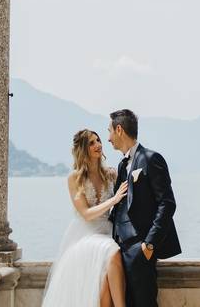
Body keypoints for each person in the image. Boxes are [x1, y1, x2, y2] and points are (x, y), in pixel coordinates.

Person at [42, 129, 130, 307]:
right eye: (91, 143)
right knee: (113, 252)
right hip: (85, 235)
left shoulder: (110, 174)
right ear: (83, 149)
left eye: (98, 140)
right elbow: (86, 214)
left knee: (105, 281)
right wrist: (114, 199)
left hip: (106, 232)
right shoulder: (74, 178)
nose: (98, 145)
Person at [107, 109, 181, 307]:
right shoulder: (122, 166)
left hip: (139, 249)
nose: (108, 138)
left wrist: (148, 245)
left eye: (110, 131)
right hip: (119, 250)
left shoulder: (150, 159)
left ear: (119, 129)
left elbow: (167, 203)